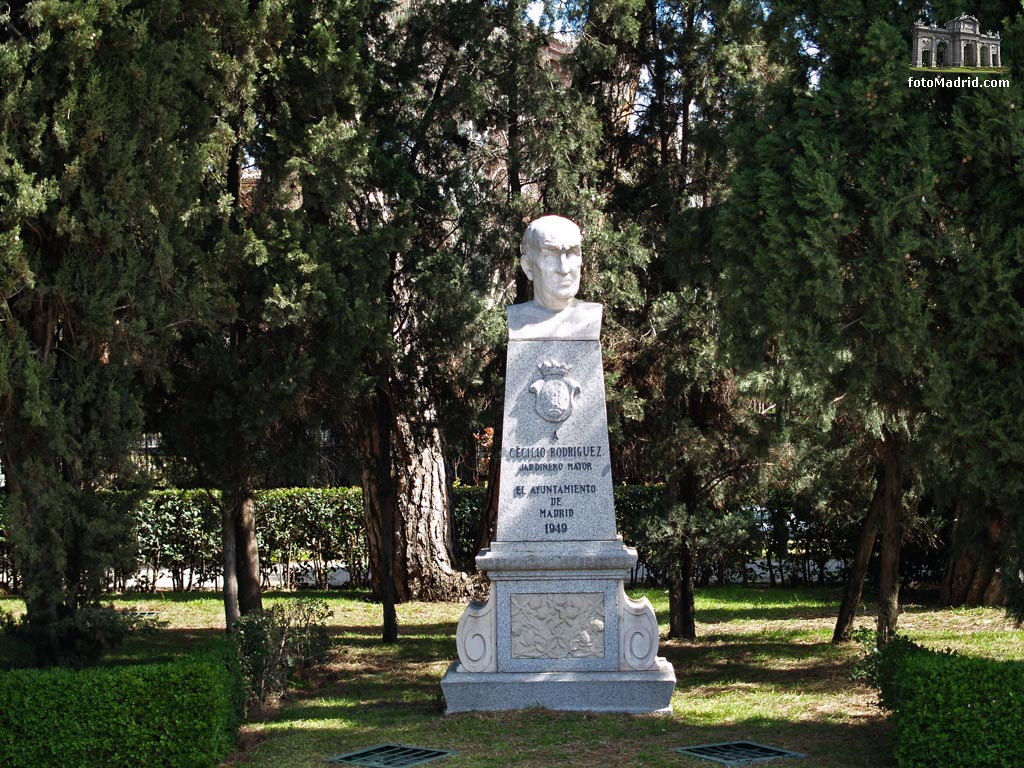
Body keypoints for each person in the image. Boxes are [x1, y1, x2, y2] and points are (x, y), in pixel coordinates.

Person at [509, 215, 602, 340]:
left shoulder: (591, 316)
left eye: (571, 254)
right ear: (528, 267)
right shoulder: (517, 319)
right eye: (550, 257)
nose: (564, 269)